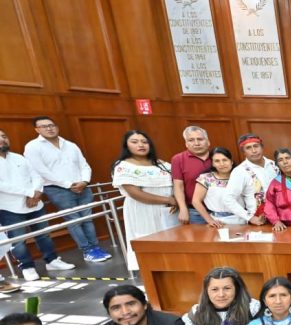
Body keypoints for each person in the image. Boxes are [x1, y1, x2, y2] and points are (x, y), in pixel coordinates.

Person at [23, 116, 111, 263]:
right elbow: (41, 171)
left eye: (52, 125)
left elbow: (84, 165)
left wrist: (84, 181)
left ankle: (95, 247)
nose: (49, 128)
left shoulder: (70, 145)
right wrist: (68, 184)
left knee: (87, 219)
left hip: (82, 187)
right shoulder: (32, 147)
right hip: (58, 189)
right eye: (44, 126)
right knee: (74, 220)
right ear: (37, 130)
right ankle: (87, 251)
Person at [0, 130, 76, 281]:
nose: (2, 139)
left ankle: (52, 261)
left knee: (44, 235)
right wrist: (30, 193)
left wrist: (36, 192)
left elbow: (36, 176)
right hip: (10, 208)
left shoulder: (18, 157)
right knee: (18, 241)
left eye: (4, 136)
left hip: (35, 204)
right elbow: (3, 186)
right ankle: (27, 267)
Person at [111, 130, 178, 271]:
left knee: (172, 242)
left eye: (144, 142)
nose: (141, 145)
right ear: (126, 145)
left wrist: (177, 200)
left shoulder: (161, 164)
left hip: (169, 210)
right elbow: (135, 193)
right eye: (134, 142)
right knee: (149, 244)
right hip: (143, 211)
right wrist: (168, 200)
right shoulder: (123, 166)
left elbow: (177, 183)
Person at [192, 147, 254, 227]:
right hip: (218, 221)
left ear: (231, 161)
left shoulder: (241, 176)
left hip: (242, 219)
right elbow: (196, 201)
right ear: (213, 163)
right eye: (217, 161)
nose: (222, 164)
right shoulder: (206, 178)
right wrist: (209, 220)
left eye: (225, 160)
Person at [225, 134, 276, 225]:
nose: (254, 151)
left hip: (281, 217)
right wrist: (250, 217)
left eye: (256, 146)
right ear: (243, 152)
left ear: (262, 147)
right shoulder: (240, 171)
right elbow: (228, 198)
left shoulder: (274, 165)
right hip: (260, 220)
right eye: (248, 148)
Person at [171, 126, 212, 225]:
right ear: (186, 144)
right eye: (191, 140)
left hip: (220, 211)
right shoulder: (178, 159)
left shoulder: (218, 157)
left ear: (208, 142)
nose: (196, 143)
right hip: (195, 212)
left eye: (200, 139)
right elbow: (178, 187)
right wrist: (183, 209)